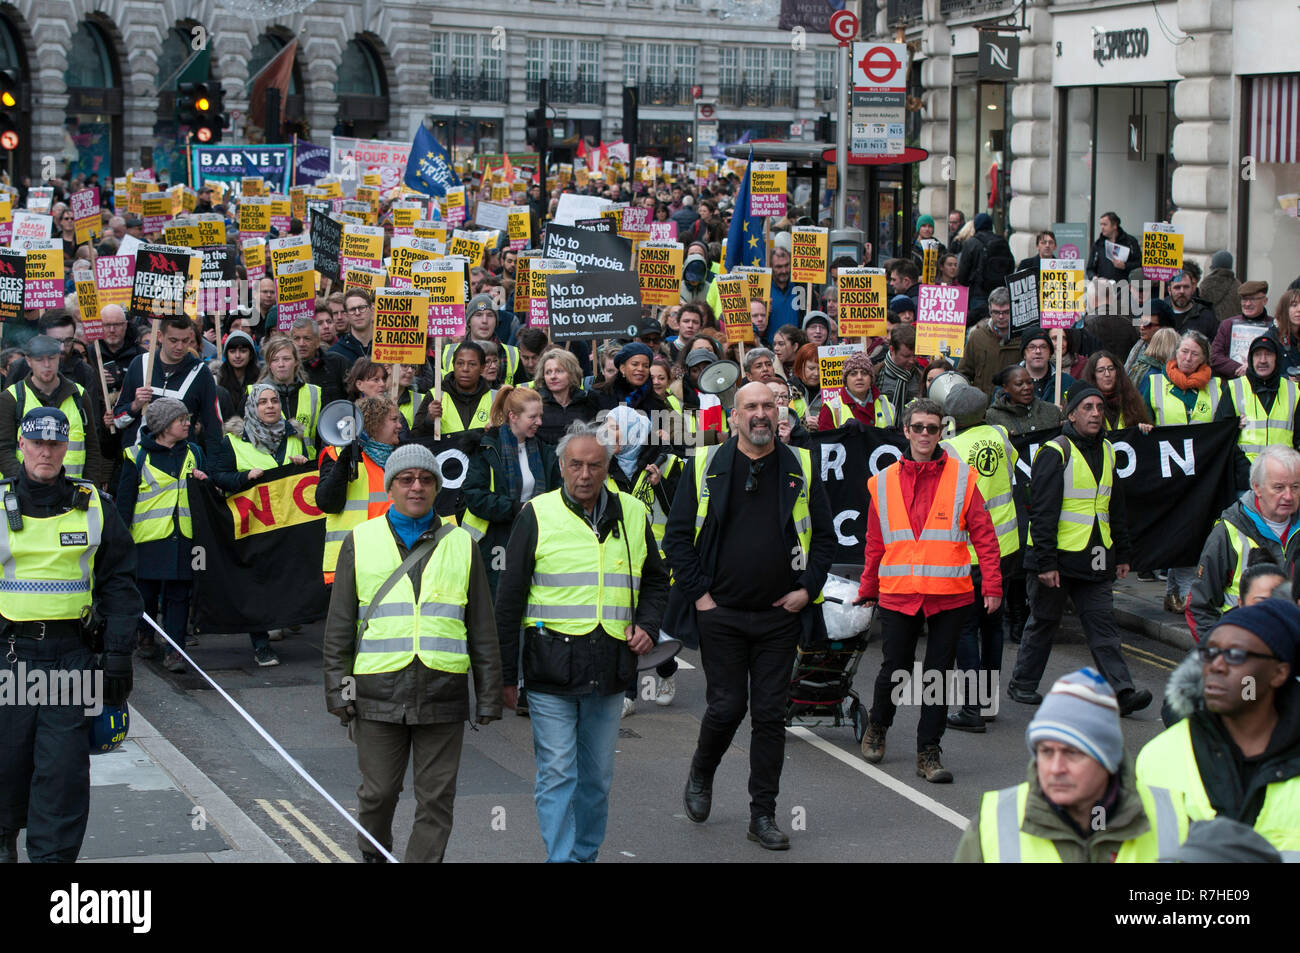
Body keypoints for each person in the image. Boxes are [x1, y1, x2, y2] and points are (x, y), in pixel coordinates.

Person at [664, 382, 834, 849]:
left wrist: (805, 589)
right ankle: (702, 772)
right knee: (726, 707)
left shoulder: (800, 464)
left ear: (779, 411)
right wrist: (700, 597)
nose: (760, 414)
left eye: (768, 405)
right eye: (751, 407)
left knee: (769, 716)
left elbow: (823, 540)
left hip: (780, 615)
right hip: (721, 614)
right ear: (734, 417)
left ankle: (763, 815)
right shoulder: (703, 465)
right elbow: (677, 538)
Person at [494, 421, 667, 863]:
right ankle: (562, 860)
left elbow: (655, 581)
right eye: (575, 465)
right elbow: (509, 599)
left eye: (594, 465)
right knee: (556, 773)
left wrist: (647, 623)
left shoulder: (632, 513)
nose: (584, 475)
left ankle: (583, 856)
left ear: (608, 467)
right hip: (550, 667)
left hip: (609, 667)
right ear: (562, 467)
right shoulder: (537, 513)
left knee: (595, 778)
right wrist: (502, 675)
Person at [322, 443, 502, 863]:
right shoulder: (360, 540)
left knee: (437, 798)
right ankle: (374, 853)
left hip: (443, 690)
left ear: (437, 487)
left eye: (425, 479)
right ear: (391, 488)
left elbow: (481, 628)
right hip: (376, 691)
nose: (416, 487)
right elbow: (340, 627)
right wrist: (338, 690)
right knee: (378, 793)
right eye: (406, 479)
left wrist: (490, 693)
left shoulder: (462, 543)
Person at [0, 407, 143, 863]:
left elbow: (119, 582)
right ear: (21, 445)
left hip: (70, 659)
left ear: (66, 448)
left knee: (62, 777)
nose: (46, 452)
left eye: (54, 444)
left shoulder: (95, 504)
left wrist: (119, 655)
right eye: (37, 443)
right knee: (6, 767)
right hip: (10, 658)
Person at [856, 397, 1002, 782]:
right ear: (905, 431)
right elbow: (874, 542)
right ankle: (879, 725)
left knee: (938, 674)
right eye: (917, 427)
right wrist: (867, 587)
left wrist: (992, 584)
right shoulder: (882, 482)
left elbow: (985, 536)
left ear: (942, 432)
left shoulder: (963, 477)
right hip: (899, 591)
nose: (924, 434)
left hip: (949, 593)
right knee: (896, 668)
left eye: (932, 428)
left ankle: (929, 752)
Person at [1005, 386, 1152, 716]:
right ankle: (1023, 685)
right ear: (1071, 414)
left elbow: (1115, 506)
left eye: (1100, 407)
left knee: (1103, 627)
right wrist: (1045, 562)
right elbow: (1042, 511)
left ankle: (1121, 691)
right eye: (1087, 407)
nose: (1096, 413)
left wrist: (1124, 553)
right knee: (1044, 623)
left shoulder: (1110, 450)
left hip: (1096, 555)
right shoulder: (1054, 452)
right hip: (1055, 558)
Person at [955, 669, 1187, 863]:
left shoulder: (1175, 821)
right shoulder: (993, 824)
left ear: (1107, 757)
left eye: (1072, 753)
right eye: (1046, 751)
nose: (1056, 768)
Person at [1136, 600, 1300, 857]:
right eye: (1209, 652)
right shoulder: (1158, 756)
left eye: (1236, 655)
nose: (1216, 665)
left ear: (1279, 673)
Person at [940, 383, 1025, 732]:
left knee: (965, 628)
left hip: (970, 551)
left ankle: (971, 709)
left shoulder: (948, 449)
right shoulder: (1000, 434)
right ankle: (987, 702)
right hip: (1006, 547)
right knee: (993, 626)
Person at [208, 383, 310, 667]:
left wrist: (303, 463)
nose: (269, 406)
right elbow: (219, 476)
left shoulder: (294, 439)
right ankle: (261, 644)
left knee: (283, 579)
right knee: (256, 584)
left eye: (274, 401)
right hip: (252, 524)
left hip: (288, 523)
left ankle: (282, 621)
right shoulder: (232, 441)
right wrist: (243, 478)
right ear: (252, 408)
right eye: (263, 401)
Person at [602, 404, 684, 713]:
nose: (606, 434)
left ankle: (666, 670)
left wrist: (661, 484)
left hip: (657, 560)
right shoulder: (603, 465)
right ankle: (627, 694)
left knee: (648, 623)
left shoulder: (667, 462)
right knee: (624, 622)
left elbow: (681, 510)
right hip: (617, 557)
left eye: (613, 427)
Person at [117, 397, 208, 672]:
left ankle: (175, 650)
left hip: (184, 538)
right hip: (147, 539)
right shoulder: (136, 456)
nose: (187, 423)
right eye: (181, 419)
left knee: (180, 595)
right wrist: (120, 544)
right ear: (164, 425)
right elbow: (125, 501)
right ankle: (145, 635)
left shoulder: (194, 451)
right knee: (146, 594)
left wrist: (207, 481)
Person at [1186, 445, 1300, 641]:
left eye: (1295, 487)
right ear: (1257, 487)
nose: (1288, 496)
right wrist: (1221, 653)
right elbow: (1198, 605)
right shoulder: (1228, 532)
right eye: (1279, 487)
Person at [462, 386, 559, 598]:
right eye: (532, 417)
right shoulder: (487, 448)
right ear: (513, 416)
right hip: (496, 539)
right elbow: (475, 496)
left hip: (537, 535)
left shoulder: (544, 450)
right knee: (500, 597)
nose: (539, 422)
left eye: (540, 416)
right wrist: (517, 508)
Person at [316, 396, 400, 585]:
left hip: (391, 561)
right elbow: (327, 503)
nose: (400, 426)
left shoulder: (399, 459)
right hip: (349, 564)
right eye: (394, 420)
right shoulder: (335, 454)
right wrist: (346, 458)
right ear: (374, 423)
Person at [0, 336, 104, 485]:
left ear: (59, 359)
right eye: (39, 360)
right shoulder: (11, 398)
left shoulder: (78, 395)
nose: (47, 365)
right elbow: (3, 449)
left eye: (51, 358)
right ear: (29, 361)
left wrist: (88, 486)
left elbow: (92, 447)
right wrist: (25, 483)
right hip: (24, 492)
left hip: (71, 490)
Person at [113, 316, 223, 456]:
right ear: (160, 336)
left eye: (185, 341)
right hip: (139, 462)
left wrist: (215, 471)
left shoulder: (201, 372)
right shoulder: (140, 364)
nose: (179, 347)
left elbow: (214, 428)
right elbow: (117, 419)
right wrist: (135, 405)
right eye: (173, 340)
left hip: (181, 465)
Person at [1218, 336, 1300, 485]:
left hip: (1285, 477)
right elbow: (1222, 435)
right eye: (1257, 355)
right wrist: (1242, 467)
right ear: (1250, 359)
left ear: (1277, 358)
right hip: (1245, 479)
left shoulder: (1293, 391)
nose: (1262, 360)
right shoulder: (1234, 388)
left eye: (1268, 354)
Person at [415, 342, 494, 436]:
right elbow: (415, 437)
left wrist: (496, 432)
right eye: (460, 363)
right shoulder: (435, 396)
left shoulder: (496, 398)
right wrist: (429, 420)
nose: (465, 369)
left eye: (472, 364)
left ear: (482, 368)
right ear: (453, 365)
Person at [258, 334, 322, 451]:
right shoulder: (254, 394)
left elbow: (322, 438)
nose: (281, 364)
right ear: (269, 364)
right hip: (272, 467)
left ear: (296, 361)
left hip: (308, 466)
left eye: (286, 359)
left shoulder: (315, 393)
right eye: (275, 360)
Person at [958, 287, 1021, 397]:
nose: (1001, 317)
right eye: (996, 312)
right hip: (982, 404)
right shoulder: (977, 336)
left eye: (1006, 312)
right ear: (989, 310)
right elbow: (964, 373)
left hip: (1013, 404)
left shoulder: (1022, 338)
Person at [534, 347, 599, 445]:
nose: (553, 376)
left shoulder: (587, 402)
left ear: (572, 373)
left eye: (559, 371)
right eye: (548, 372)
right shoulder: (535, 404)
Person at [818, 351, 895, 429]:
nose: (859, 377)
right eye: (853, 374)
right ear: (845, 380)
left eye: (864, 373)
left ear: (871, 378)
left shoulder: (887, 405)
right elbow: (825, 440)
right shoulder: (831, 409)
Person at [1210, 281, 1271, 379]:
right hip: (1232, 383)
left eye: (1252, 299)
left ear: (1265, 301)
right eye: (1244, 299)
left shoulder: (1274, 326)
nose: (1247, 304)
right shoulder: (1227, 325)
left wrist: (1254, 368)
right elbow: (1215, 356)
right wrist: (1240, 369)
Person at [1078, 350, 1152, 431]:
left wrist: (1144, 429)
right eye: (1100, 370)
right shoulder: (1082, 402)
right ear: (1092, 375)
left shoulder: (1131, 399)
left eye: (1111, 369)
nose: (1107, 374)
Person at [956, 214, 1016, 311]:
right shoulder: (1002, 241)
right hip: (1000, 292)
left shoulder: (972, 242)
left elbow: (963, 273)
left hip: (978, 293)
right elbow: (1011, 266)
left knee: (979, 322)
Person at [290, 315, 348, 406]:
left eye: (307, 338)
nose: (301, 344)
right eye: (297, 338)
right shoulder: (285, 370)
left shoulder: (337, 363)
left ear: (317, 342)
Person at [1016, 329, 1075, 405]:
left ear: (1050, 352)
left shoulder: (1067, 382)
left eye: (1043, 347)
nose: (1038, 351)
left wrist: (1063, 414)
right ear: (1024, 353)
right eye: (1032, 347)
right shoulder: (1009, 381)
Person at [873, 324, 920, 412]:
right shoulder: (875, 375)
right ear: (892, 349)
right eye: (906, 356)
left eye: (914, 356)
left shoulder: (920, 377)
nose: (912, 361)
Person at [1085, 211, 1141, 282]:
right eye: (1101, 224)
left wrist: (1125, 266)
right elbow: (1090, 269)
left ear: (1114, 225)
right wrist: (1094, 277)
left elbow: (1139, 264)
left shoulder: (1130, 242)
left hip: (1125, 287)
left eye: (1105, 224)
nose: (1102, 227)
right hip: (1104, 288)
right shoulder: (1098, 244)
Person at [1166, 270, 1219, 341]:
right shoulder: (1160, 314)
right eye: (1177, 287)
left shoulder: (1206, 316)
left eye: (1186, 287)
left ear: (1193, 288)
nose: (1182, 291)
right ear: (1169, 290)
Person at [329, 289, 376, 366]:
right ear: (346, 315)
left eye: (361, 308)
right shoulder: (335, 353)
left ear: (371, 310)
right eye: (352, 309)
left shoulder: (385, 349)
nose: (357, 313)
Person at [1199, 250, 1242, 325]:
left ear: (1213, 265)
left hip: (1211, 328)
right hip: (1233, 328)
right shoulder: (1238, 285)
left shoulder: (1206, 284)